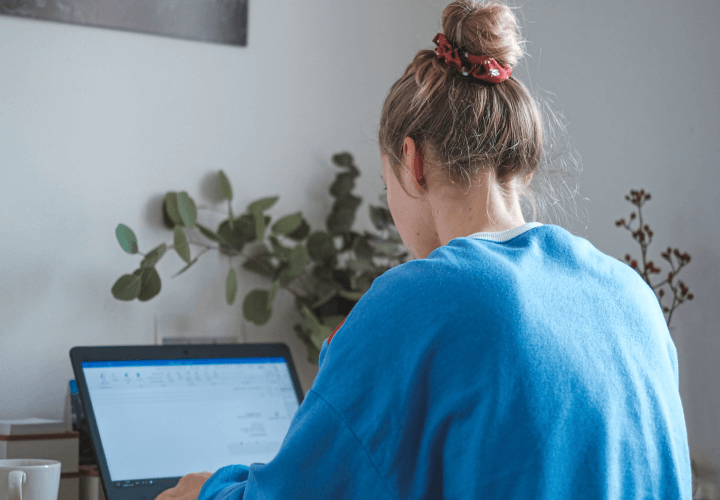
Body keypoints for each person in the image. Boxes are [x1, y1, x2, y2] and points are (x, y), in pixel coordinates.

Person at [157, 0, 691, 498]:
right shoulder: (633, 297)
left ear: (412, 162)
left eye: (386, 182)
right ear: (520, 166)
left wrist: (205, 491)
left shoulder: (420, 300)